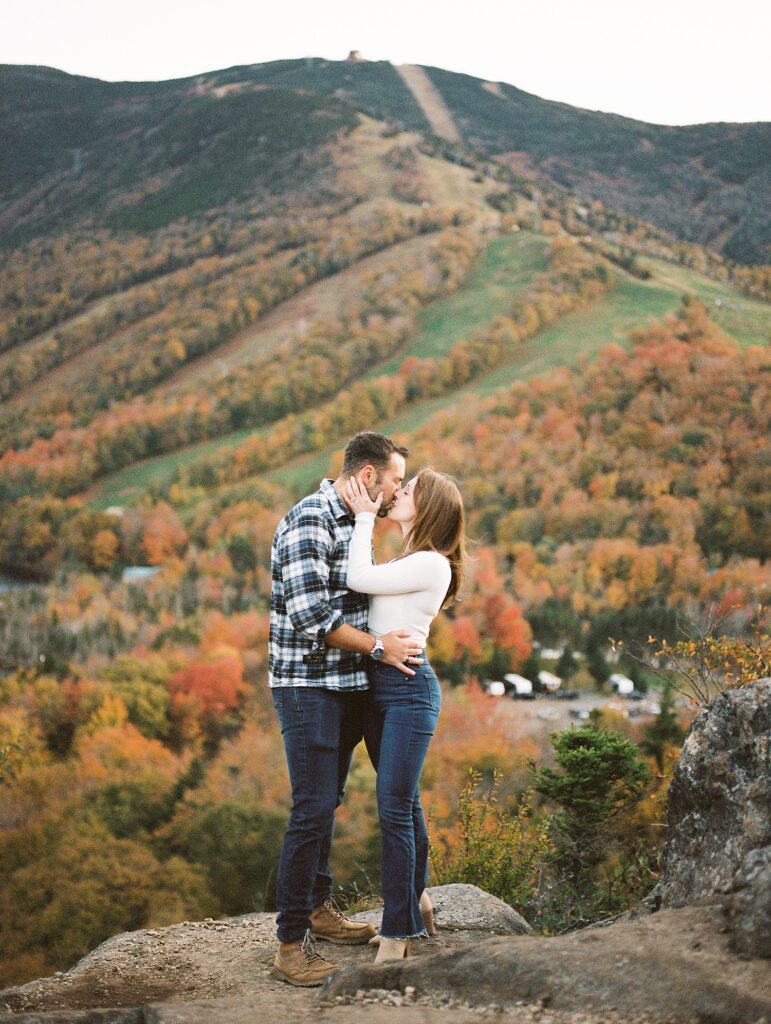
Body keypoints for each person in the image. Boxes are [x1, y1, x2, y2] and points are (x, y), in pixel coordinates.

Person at [269, 431, 425, 987]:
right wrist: (381, 648)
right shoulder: (311, 519)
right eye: (393, 481)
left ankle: (318, 908)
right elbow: (314, 619)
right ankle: (290, 946)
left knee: (330, 800)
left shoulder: (353, 523)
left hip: (350, 685)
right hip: (308, 686)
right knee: (311, 807)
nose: (397, 490)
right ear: (366, 478)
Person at [343, 466, 466, 962]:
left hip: (410, 691)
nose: (399, 492)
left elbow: (357, 577)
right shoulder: (412, 558)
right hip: (382, 686)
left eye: (409, 489)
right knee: (406, 802)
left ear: (428, 506)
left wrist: (363, 517)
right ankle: (417, 901)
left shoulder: (433, 563)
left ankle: (398, 933)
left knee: (392, 806)